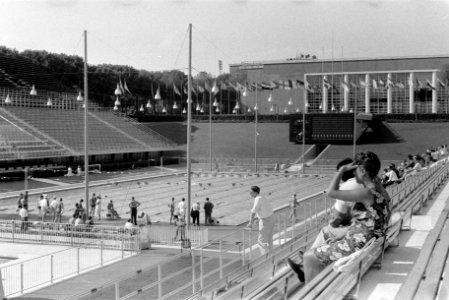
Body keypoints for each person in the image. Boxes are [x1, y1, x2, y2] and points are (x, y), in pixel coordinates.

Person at [288, 151, 391, 283]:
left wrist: (341, 170)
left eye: (356, 170)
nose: (354, 173)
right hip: (369, 241)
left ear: (363, 170)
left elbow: (331, 192)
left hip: (358, 244)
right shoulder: (380, 191)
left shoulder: (366, 193)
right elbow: (372, 222)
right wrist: (344, 235)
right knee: (322, 246)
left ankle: (315, 293)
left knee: (309, 256)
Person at [247, 186, 275, 255]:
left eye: (251, 192)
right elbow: (264, 210)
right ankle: (272, 256)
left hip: (266, 221)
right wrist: (258, 219)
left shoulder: (258, 199)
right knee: (269, 240)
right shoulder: (262, 197)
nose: (249, 193)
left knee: (261, 242)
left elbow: (253, 212)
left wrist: (250, 222)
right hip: (271, 218)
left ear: (255, 192)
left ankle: (265, 259)